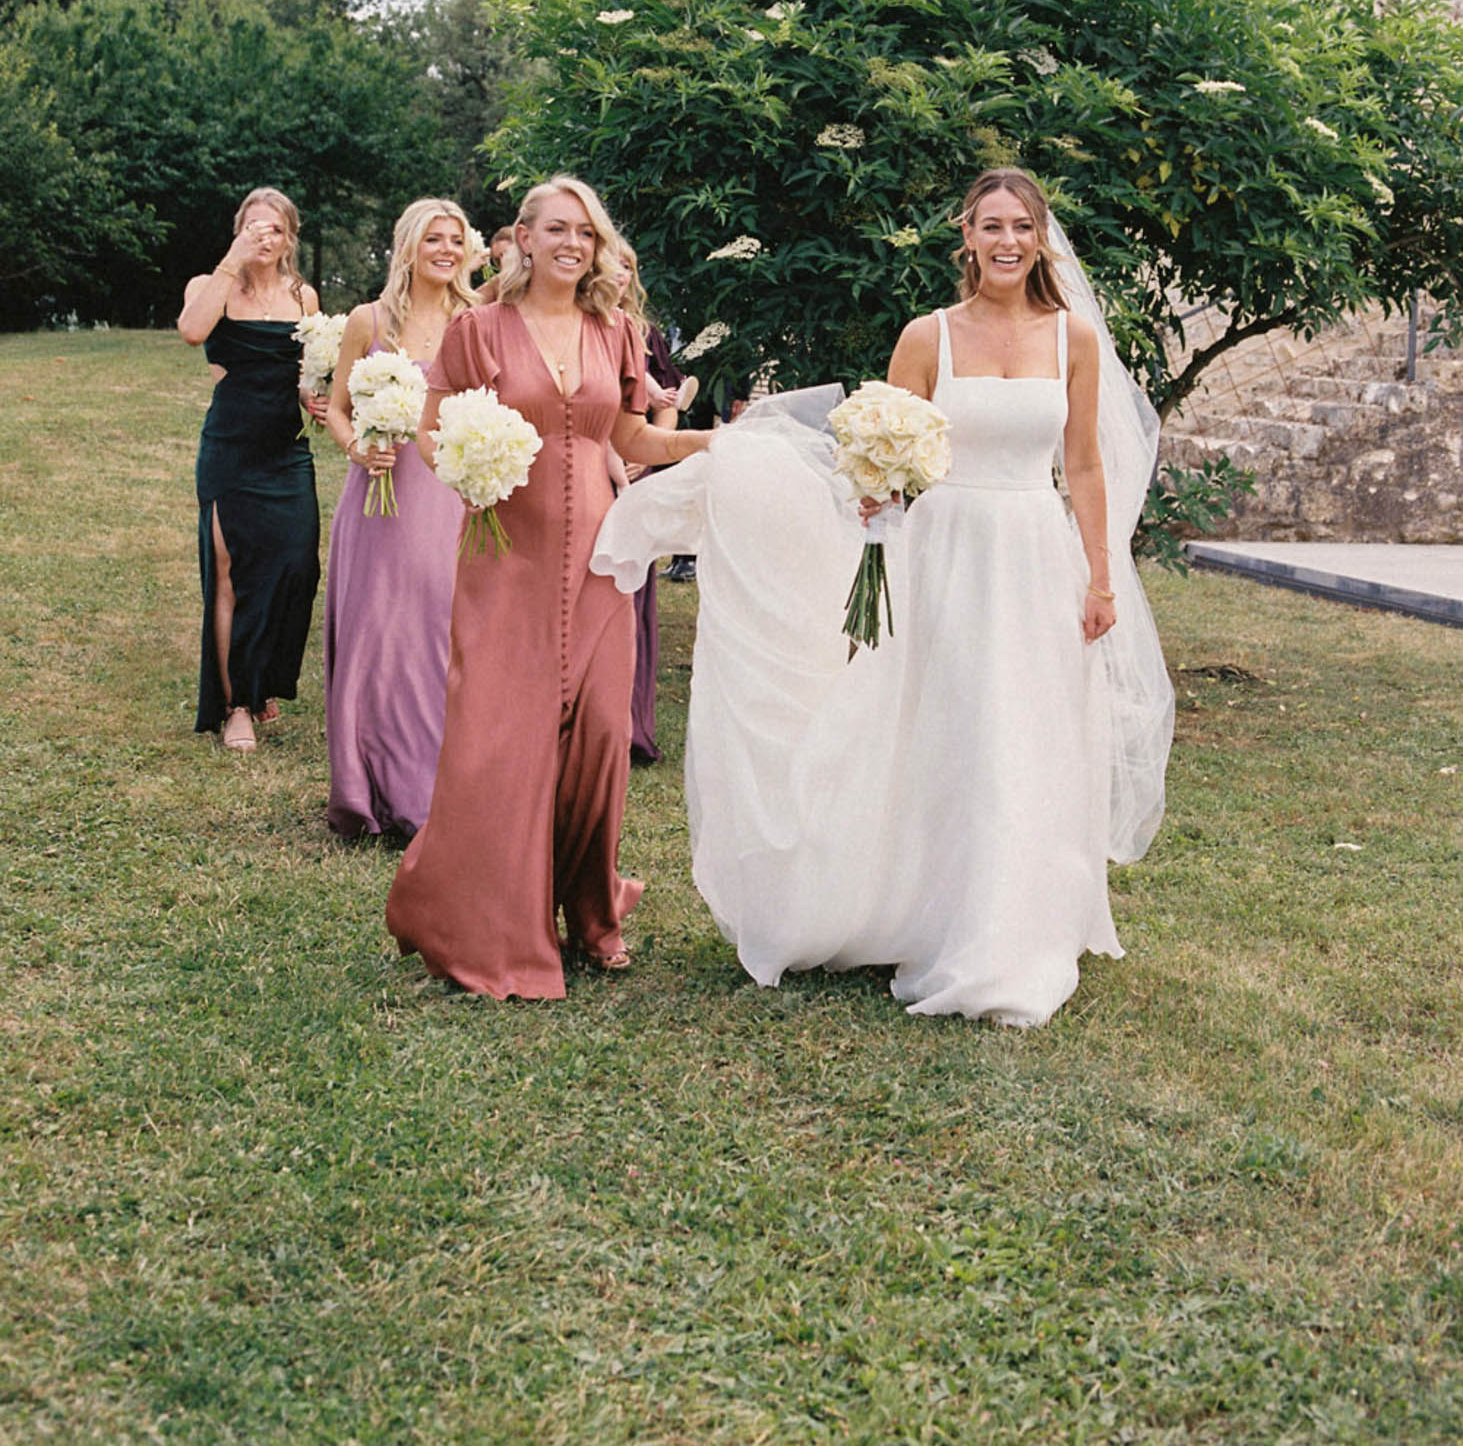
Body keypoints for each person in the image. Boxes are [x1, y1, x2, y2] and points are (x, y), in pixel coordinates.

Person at [592, 168, 1173, 1026]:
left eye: (1021, 226)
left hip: (1032, 553)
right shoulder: (926, 336)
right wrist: (876, 487)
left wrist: (1098, 574)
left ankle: (1016, 919)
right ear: (966, 238)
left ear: (1039, 237)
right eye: (990, 226)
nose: (1006, 241)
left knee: (1026, 728)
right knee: (944, 725)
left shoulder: (1071, 340)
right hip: (940, 552)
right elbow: (886, 450)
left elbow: (1081, 465)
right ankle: (925, 908)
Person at [384, 175, 712, 998]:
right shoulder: (478, 329)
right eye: (558, 229)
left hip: (603, 559)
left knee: (602, 734)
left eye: (587, 233)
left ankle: (593, 913)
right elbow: (431, 430)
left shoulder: (615, 331)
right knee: (502, 740)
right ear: (522, 239)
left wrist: (717, 442)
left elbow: (629, 431)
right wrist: (465, 467)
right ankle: (485, 920)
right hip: (506, 558)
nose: (574, 244)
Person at [322, 199, 477, 838]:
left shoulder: (476, 320)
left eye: (455, 240)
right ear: (407, 247)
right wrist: (358, 445)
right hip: (379, 495)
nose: (445, 249)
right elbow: (334, 407)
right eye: (433, 238)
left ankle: (434, 794)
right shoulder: (368, 320)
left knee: (439, 635)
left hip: (446, 495)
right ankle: (367, 788)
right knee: (377, 637)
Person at [178, 187, 322, 753]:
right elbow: (193, 330)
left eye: (275, 229)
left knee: (294, 568)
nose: (264, 237)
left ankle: (263, 680)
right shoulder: (210, 285)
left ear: (290, 239)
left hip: (287, 451)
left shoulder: (304, 297)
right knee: (231, 574)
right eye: (253, 228)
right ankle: (236, 703)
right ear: (238, 231)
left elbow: (313, 370)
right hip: (230, 450)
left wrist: (316, 395)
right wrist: (232, 260)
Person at [612, 244, 696, 765]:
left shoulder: (647, 335)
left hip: (638, 470)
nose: (618, 274)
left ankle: (631, 723)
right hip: (597, 465)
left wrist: (647, 456)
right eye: (611, 264)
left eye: (628, 267)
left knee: (634, 595)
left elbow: (669, 399)